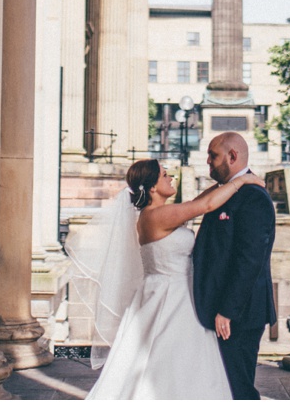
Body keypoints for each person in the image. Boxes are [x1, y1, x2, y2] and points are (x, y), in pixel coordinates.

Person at [73, 155, 266, 400]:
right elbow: (204, 207)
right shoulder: (156, 216)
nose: (171, 177)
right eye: (165, 174)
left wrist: (225, 182)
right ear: (153, 186)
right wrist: (242, 180)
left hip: (170, 292)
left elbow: (199, 201)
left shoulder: (159, 213)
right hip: (172, 297)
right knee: (171, 362)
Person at [190, 132, 277, 401]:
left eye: (213, 155)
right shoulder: (227, 191)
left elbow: (249, 260)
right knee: (223, 388)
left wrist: (228, 310)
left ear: (232, 156)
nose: (207, 161)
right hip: (219, 310)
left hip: (239, 315)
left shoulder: (254, 198)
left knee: (238, 390)